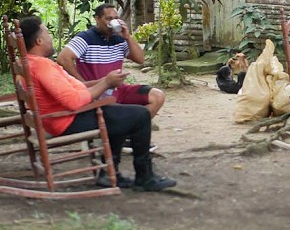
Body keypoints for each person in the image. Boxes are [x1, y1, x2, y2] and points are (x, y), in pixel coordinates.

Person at [18, 16, 176, 191]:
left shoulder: (29, 62)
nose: (51, 37)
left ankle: (110, 174)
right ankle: (144, 177)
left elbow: (73, 87)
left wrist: (101, 81)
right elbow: (73, 101)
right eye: (47, 33)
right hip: (65, 121)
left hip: (57, 118)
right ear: (39, 40)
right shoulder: (42, 66)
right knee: (140, 115)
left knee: (120, 115)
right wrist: (106, 83)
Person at [58, 3, 165, 119]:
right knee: (118, 112)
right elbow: (63, 59)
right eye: (108, 19)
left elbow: (140, 59)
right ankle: (128, 128)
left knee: (157, 96)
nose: (112, 22)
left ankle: (133, 127)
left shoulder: (119, 39)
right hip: (98, 93)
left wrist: (128, 37)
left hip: (119, 90)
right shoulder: (86, 38)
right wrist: (83, 84)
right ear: (97, 19)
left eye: (115, 19)